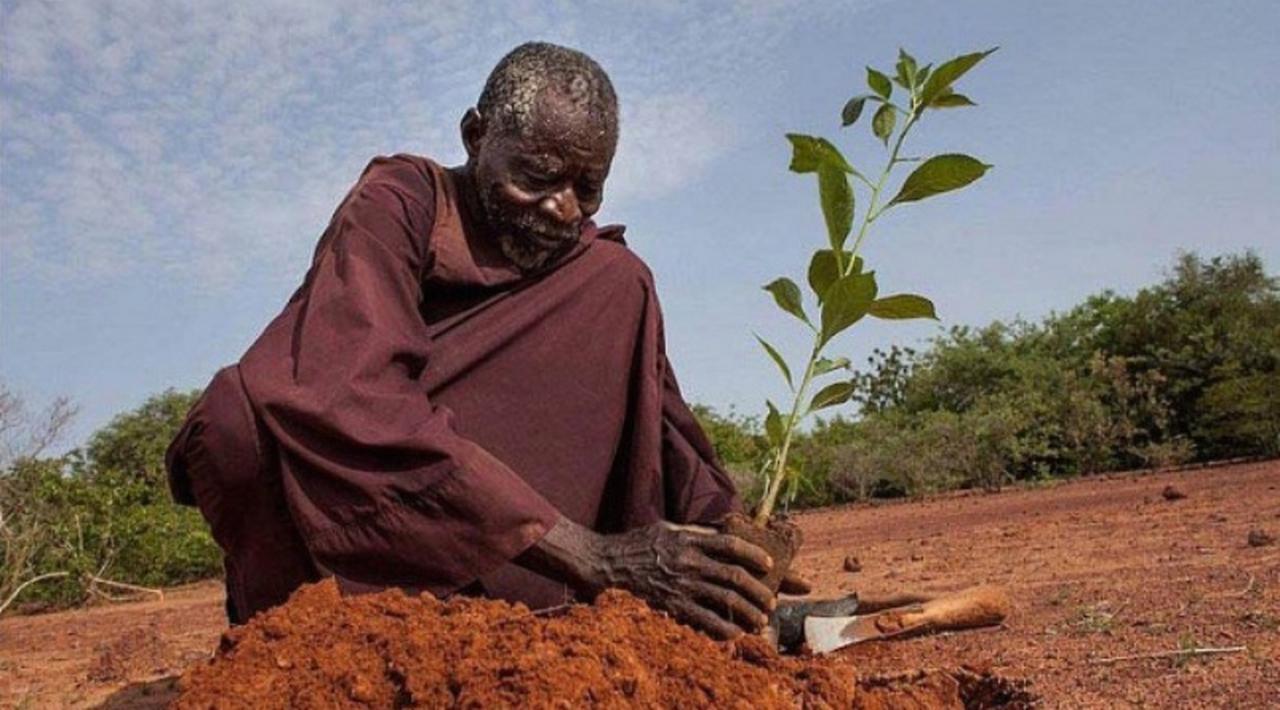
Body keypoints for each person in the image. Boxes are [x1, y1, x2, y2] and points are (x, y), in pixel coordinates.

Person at [166, 41, 808, 641]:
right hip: (355, 528)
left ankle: (607, 611)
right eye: (537, 177)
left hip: (498, 544)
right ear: (476, 137)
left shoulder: (593, 273)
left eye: (587, 188)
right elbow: (350, 395)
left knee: (619, 280)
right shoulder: (399, 205)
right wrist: (594, 556)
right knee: (238, 417)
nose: (563, 209)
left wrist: (728, 544)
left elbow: (662, 420)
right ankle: (306, 630)